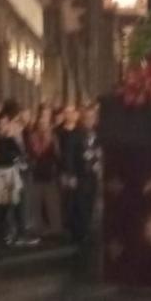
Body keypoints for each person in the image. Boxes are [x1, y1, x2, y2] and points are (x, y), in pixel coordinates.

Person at [61, 105, 103, 248]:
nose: (90, 120)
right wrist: (70, 174)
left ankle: (86, 230)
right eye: (87, 118)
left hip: (93, 174)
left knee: (90, 202)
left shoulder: (97, 135)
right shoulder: (75, 134)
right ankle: (79, 233)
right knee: (80, 204)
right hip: (80, 174)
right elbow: (69, 156)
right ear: (82, 119)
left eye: (92, 118)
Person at [0, 102, 27, 247]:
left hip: (9, 173)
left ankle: (4, 234)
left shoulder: (10, 139)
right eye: (0, 123)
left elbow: (19, 154)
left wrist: (10, 157)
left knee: (7, 205)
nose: (2, 126)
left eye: (4, 123)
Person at [27, 105, 63, 238]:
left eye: (45, 123)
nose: (43, 125)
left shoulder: (53, 136)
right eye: (40, 123)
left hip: (49, 172)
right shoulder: (33, 136)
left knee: (52, 202)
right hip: (37, 172)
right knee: (36, 201)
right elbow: (33, 152)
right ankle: (38, 227)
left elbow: (57, 154)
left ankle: (55, 227)